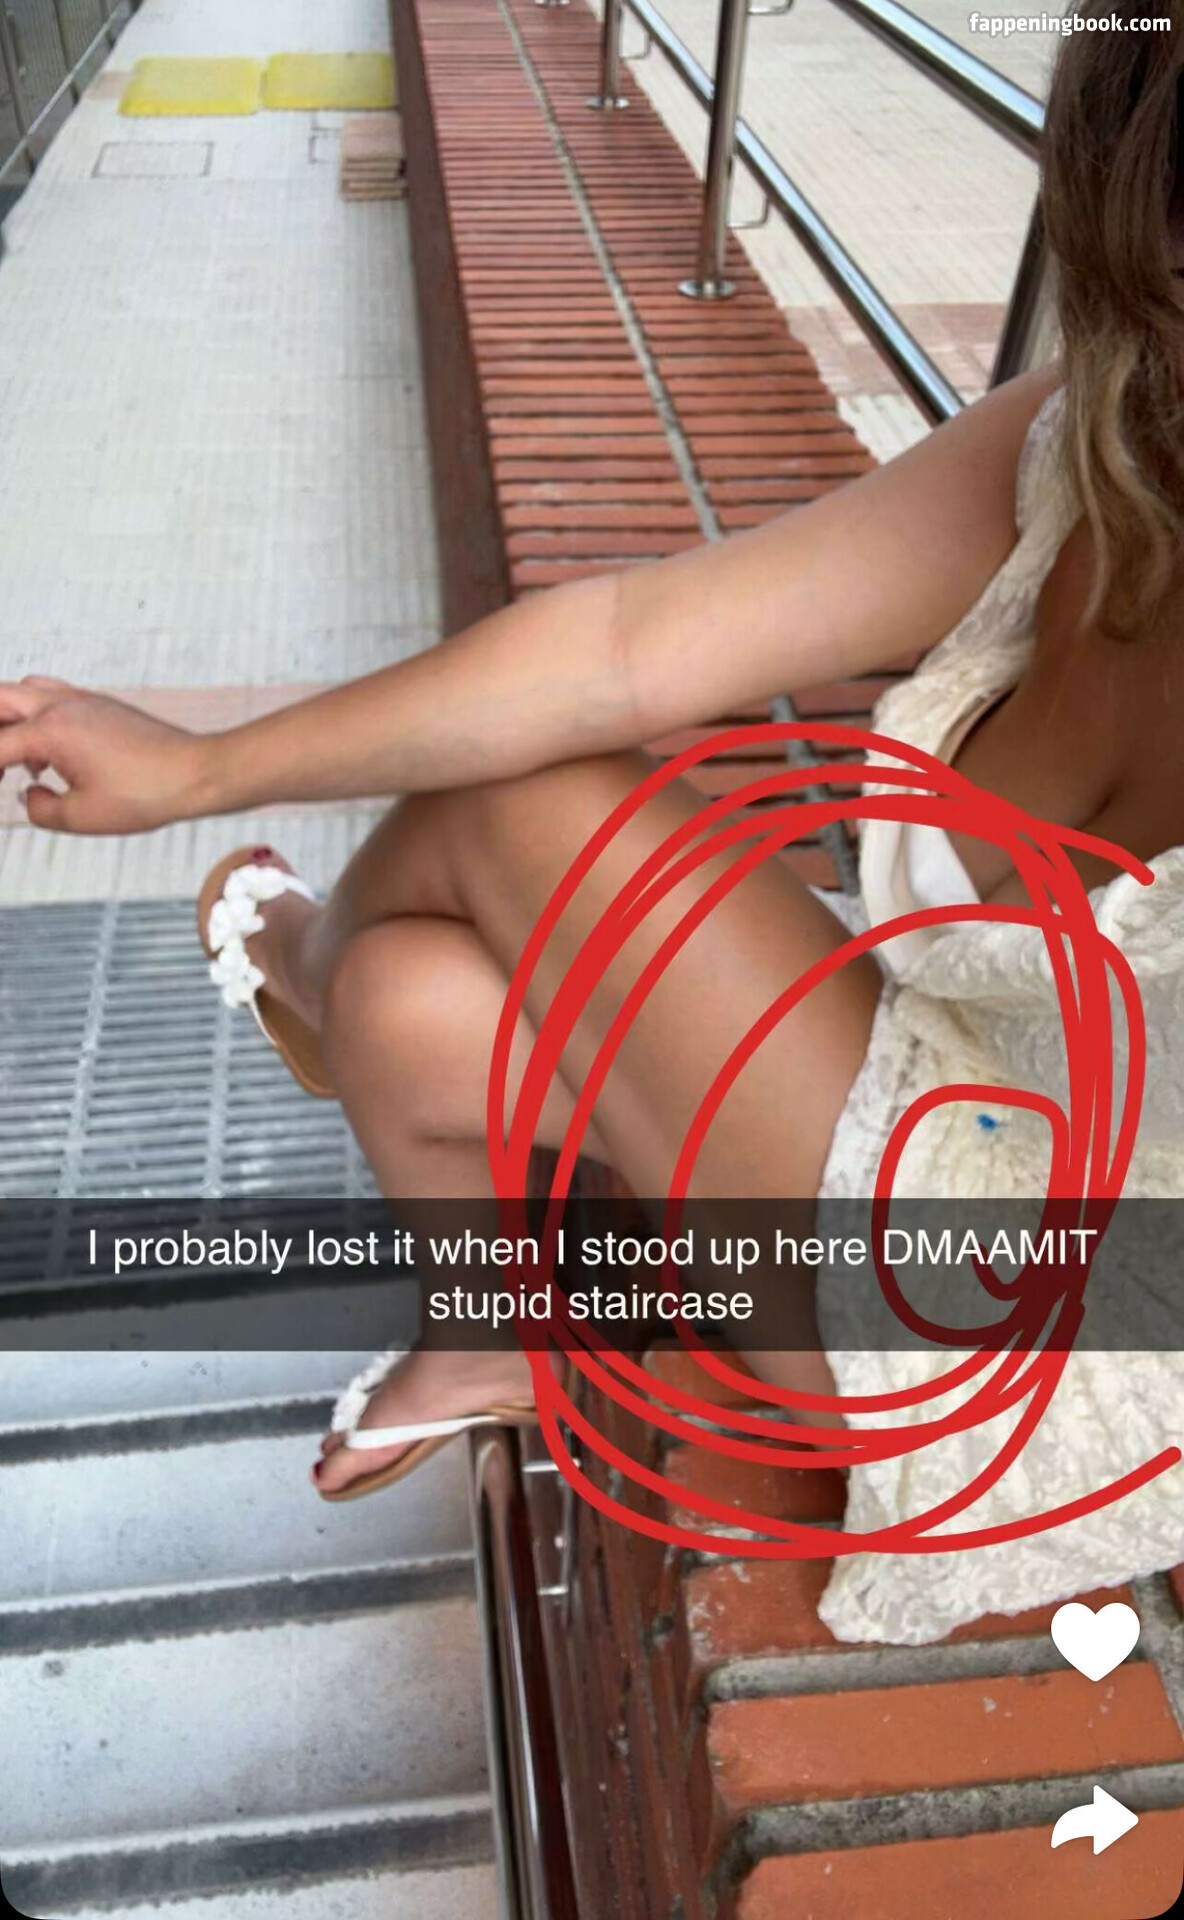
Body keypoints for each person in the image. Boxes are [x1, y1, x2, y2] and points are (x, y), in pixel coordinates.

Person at [2, 8, 1183, 1642]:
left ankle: (300, 969)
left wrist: (205, 774)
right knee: (419, 1000)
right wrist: (197, 761)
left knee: (512, 823)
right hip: (954, 1117)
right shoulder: (1106, 445)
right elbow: (625, 644)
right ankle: (484, 1317)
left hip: (1045, 1330)